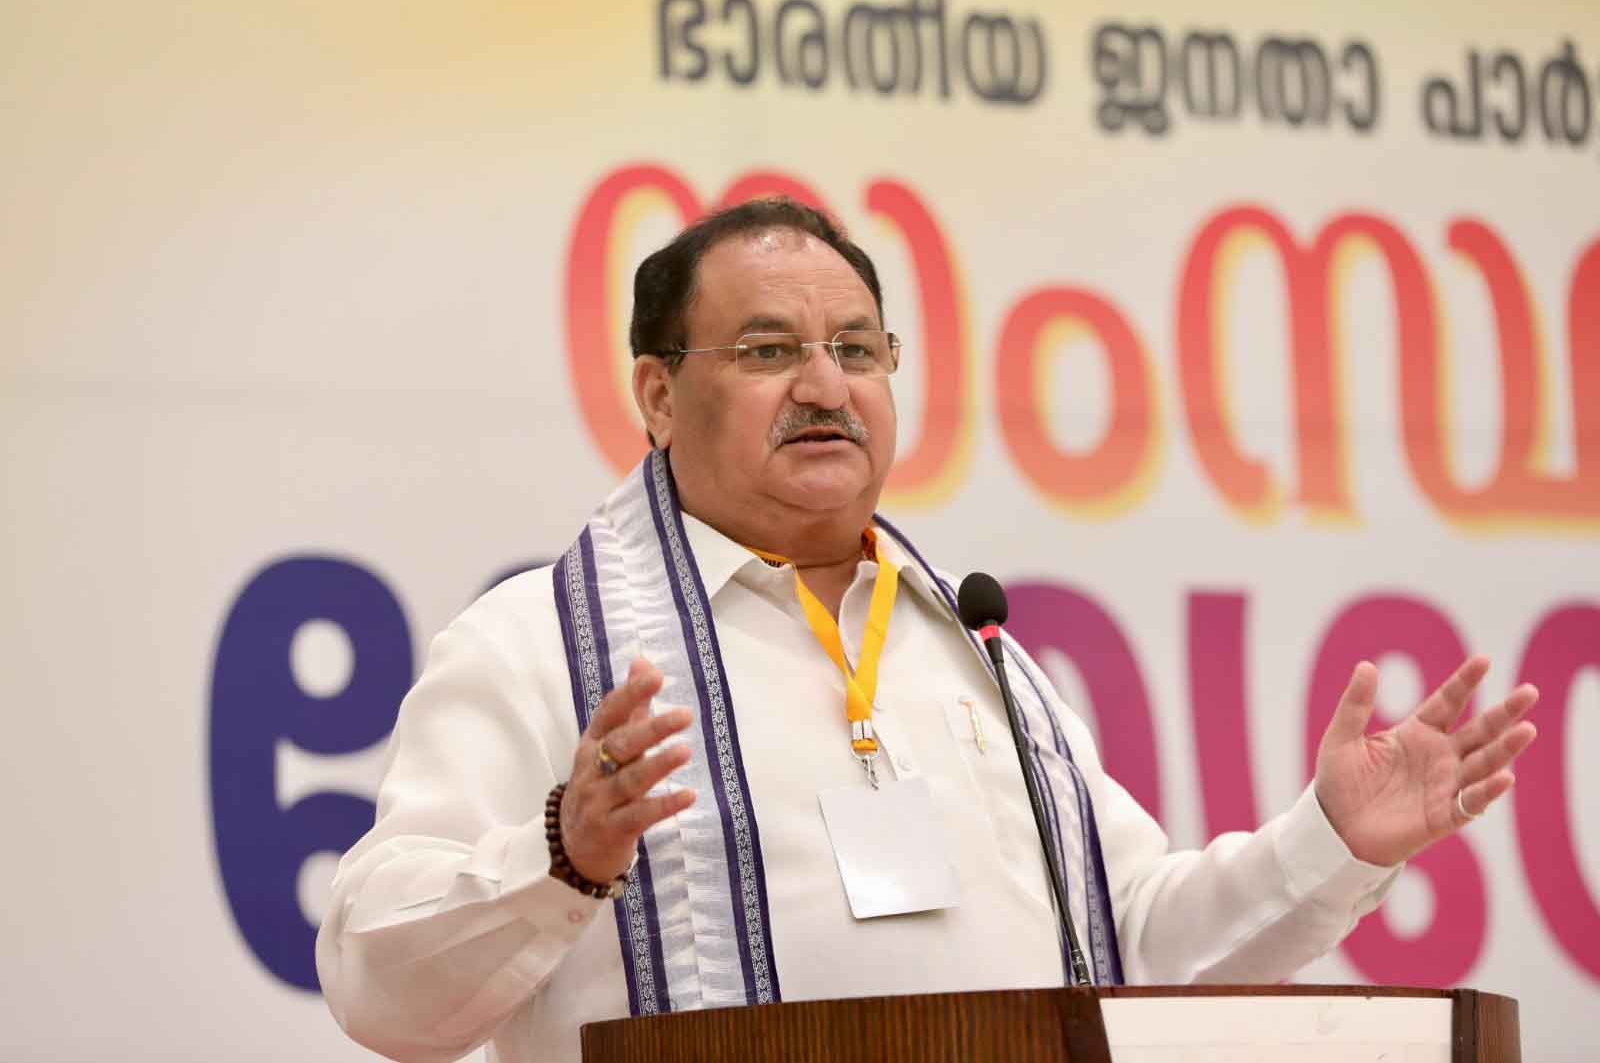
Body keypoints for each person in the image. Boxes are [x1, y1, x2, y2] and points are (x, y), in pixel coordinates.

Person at [315, 198, 1539, 1063]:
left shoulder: (976, 652)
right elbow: (377, 989)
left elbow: (1145, 958)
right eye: (766, 351)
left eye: (857, 349)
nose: (824, 384)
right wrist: (563, 855)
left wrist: (1334, 842)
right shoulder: (539, 646)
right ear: (655, 393)